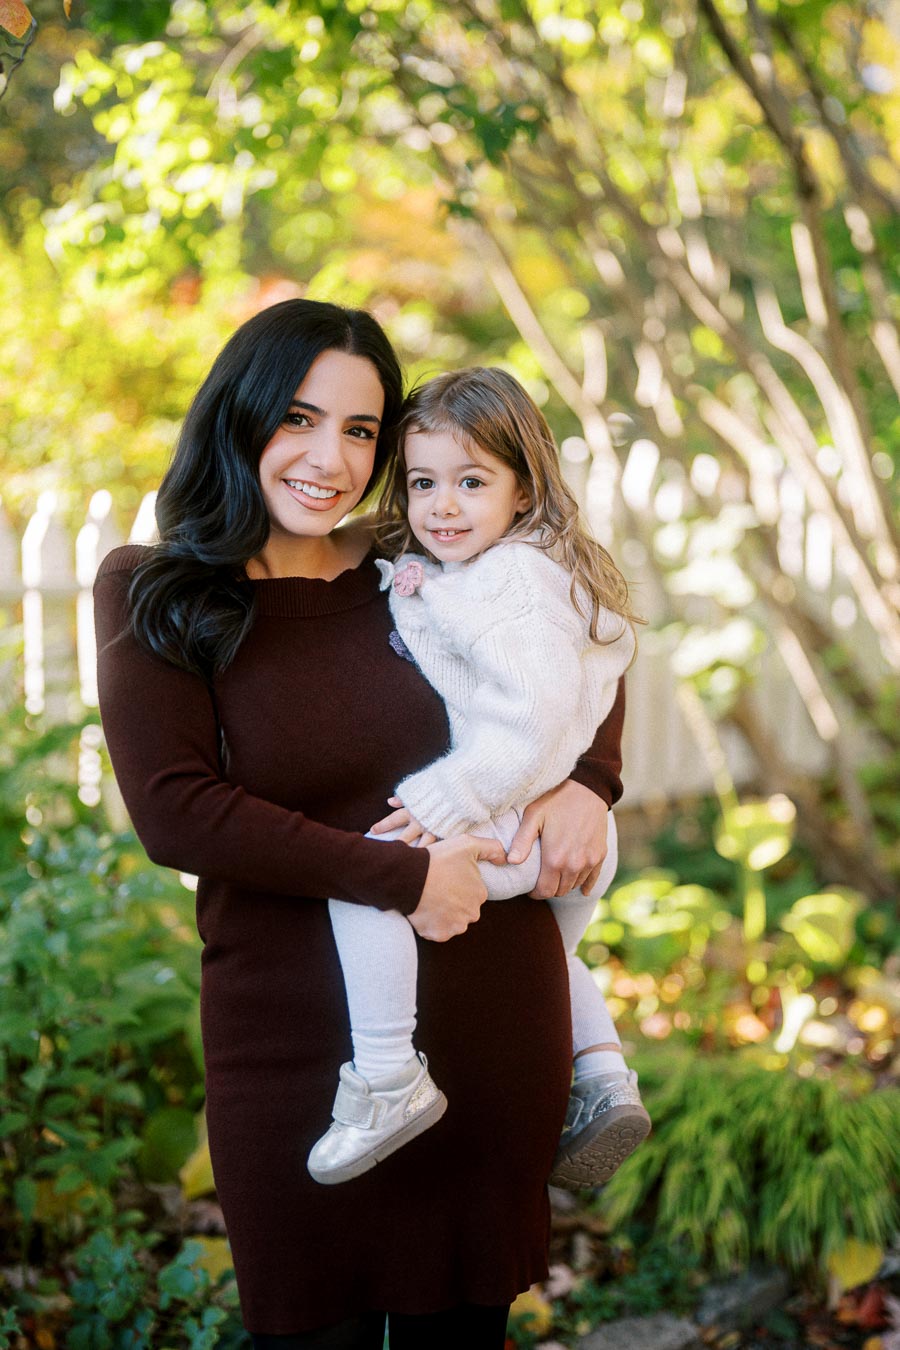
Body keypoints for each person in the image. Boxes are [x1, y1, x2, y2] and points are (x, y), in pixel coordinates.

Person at [94, 299, 628, 1350]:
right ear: (237, 417)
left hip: (490, 1025)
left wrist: (590, 785)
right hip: (296, 1049)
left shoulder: (419, 562)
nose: (329, 457)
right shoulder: (156, 591)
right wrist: (399, 879)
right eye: (298, 417)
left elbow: (581, 640)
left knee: (462, 1333)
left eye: (361, 430)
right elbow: (178, 813)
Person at [309, 368, 649, 1193]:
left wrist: (443, 803)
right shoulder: (510, 566)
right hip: (553, 829)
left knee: (371, 873)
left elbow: (533, 716)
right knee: (547, 961)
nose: (442, 507)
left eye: (471, 482)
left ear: (523, 491)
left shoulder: (511, 582)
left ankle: (387, 1077)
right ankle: (603, 1074)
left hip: (516, 813)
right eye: (423, 484)